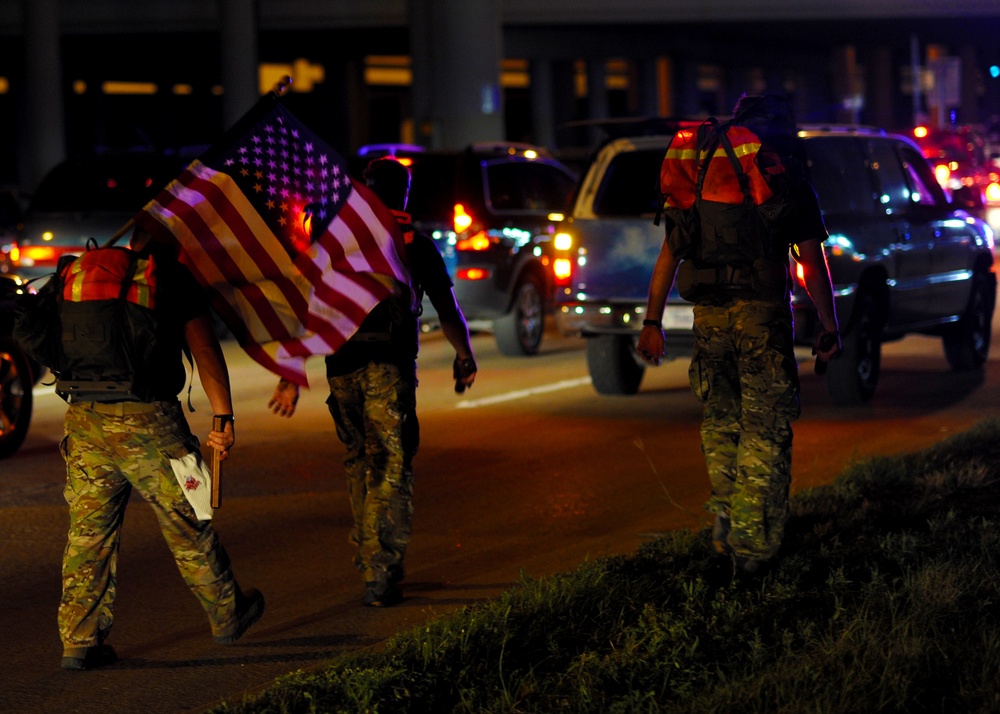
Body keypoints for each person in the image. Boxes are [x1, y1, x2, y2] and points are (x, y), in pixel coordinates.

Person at [636, 94, 841, 576]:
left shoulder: (703, 176)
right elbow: (812, 265)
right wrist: (829, 325)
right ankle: (753, 550)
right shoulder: (788, 178)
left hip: (709, 318)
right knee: (765, 428)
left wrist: (651, 323)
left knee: (722, 421)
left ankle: (724, 528)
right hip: (762, 318)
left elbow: (668, 255)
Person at [268, 157, 477, 607]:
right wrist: (464, 354)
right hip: (389, 365)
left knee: (360, 457)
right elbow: (446, 306)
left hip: (341, 366)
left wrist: (292, 374)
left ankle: (371, 557)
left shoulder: (336, 245)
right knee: (390, 465)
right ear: (404, 195)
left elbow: (306, 307)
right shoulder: (412, 244)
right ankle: (380, 573)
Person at [58, 230, 264, 671]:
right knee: (188, 518)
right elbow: (205, 349)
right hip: (148, 421)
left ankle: (79, 640)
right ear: (177, 249)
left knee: (88, 534)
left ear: (133, 245)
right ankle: (228, 613)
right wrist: (222, 418)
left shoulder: (87, 273)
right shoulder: (169, 277)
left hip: (84, 418)